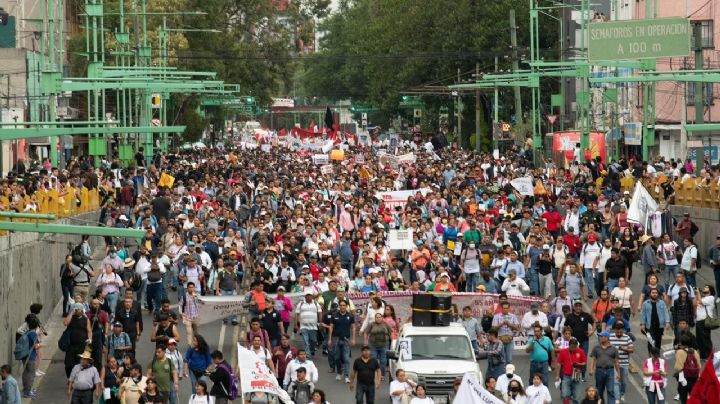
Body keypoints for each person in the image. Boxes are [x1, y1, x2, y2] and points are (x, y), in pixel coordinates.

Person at [588, 332, 619, 404]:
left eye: (602, 336)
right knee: (599, 391)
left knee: (610, 390)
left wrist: (618, 373)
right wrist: (591, 369)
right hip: (599, 371)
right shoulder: (596, 347)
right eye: (600, 336)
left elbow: (616, 362)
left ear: (607, 338)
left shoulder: (613, 348)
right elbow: (593, 359)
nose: (600, 338)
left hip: (610, 371)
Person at [63, 302, 92, 378]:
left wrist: (90, 339)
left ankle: (77, 379)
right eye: (76, 310)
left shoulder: (86, 319)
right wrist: (72, 313)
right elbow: (65, 323)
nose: (78, 311)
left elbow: (89, 330)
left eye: (79, 310)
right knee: (68, 364)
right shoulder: (71, 317)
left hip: (81, 346)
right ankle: (70, 378)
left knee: (79, 364)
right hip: (71, 346)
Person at [555, 337, 587, 404]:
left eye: (575, 347)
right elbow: (559, 363)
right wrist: (557, 375)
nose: (574, 349)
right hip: (566, 375)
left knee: (576, 395)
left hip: (577, 375)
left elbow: (584, 363)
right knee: (565, 394)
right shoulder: (563, 351)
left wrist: (579, 364)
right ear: (569, 345)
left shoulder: (581, 351)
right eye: (572, 347)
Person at [608, 322, 633, 403]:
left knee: (624, 382)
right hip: (614, 363)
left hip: (624, 363)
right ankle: (617, 398)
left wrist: (624, 349)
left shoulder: (627, 338)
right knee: (616, 381)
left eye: (621, 332)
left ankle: (622, 393)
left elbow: (632, 349)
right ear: (614, 330)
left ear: (623, 330)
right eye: (617, 332)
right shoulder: (610, 337)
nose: (619, 334)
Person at [674, 336, 701, 404]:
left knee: (683, 399)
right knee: (694, 399)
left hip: (684, 379)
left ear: (680, 343)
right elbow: (699, 366)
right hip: (694, 379)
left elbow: (678, 367)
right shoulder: (694, 351)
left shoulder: (680, 352)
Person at [295, 292, 322, 357]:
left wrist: (320, 322)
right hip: (303, 326)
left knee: (313, 341)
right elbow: (297, 314)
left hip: (313, 326)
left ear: (312, 296)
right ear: (305, 296)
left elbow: (320, 313)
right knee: (305, 340)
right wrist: (296, 324)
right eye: (307, 295)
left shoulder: (315, 303)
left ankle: (312, 350)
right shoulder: (301, 303)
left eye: (310, 295)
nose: (308, 297)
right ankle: (307, 354)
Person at [694, 285, 716, 359]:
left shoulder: (711, 297)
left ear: (710, 290)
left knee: (705, 339)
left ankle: (709, 356)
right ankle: (703, 356)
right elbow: (694, 304)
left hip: (705, 320)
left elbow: (701, 302)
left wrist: (698, 294)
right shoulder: (703, 297)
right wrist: (696, 294)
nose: (704, 288)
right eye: (704, 287)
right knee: (699, 339)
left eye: (706, 287)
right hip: (699, 320)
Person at [367, 313, 392, 380]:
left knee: (383, 361)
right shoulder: (371, 324)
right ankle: (373, 373)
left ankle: (382, 375)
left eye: (379, 317)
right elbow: (366, 333)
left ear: (382, 318)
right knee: (373, 359)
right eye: (377, 317)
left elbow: (390, 333)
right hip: (373, 345)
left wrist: (392, 343)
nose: (378, 318)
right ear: (375, 318)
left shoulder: (385, 324)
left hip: (384, 345)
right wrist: (365, 343)